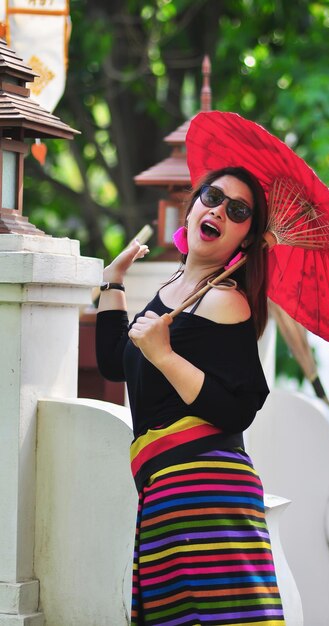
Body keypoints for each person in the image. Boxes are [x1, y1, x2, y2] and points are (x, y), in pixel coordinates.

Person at [96, 166, 286, 625]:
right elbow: (114, 363)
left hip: (210, 495)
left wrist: (164, 356)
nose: (219, 209)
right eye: (213, 196)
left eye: (237, 210)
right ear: (194, 204)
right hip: (166, 496)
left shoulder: (226, 300)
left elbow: (238, 408)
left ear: (244, 239)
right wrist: (113, 280)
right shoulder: (169, 293)